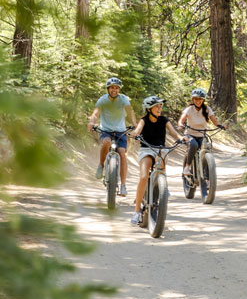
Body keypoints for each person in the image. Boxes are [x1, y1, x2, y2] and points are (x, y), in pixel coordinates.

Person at [130, 96, 186, 225]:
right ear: (149, 109)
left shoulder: (164, 120)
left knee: (161, 161)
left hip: (160, 149)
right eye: (157, 106)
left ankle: (162, 186)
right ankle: (137, 211)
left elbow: (174, 133)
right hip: (146, 149)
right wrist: (135, 134)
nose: (160, 108)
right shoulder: (143, 120)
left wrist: (180, 138)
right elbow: (137, 130)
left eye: (160, 106)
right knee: (144, 177)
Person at [87, 77, 137, 197]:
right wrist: (92, 122)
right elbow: (95, 113)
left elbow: (130, 112)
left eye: (116, 88)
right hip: (106, 130)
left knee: (122, 154)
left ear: (119, 89)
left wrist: (135, 124)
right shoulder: (103, 100)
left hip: (120, 131)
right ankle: (101, 165)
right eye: (112, 87)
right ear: (108, 89)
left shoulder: (124, 99)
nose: (114, 90)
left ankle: (123, 186)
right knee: (106, 143)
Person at [178, 88, 225, 176]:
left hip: (202, 135)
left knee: (207, 148)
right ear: (193, 99)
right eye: (196, 99)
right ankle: (187, 167)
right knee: (194, 145)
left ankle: (208, 175)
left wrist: (220, 125)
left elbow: (214, 121)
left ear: (203, 100)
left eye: (200, 99)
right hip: (190, 134)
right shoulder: (189, 109)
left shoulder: (207, 109)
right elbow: (182, 119)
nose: (198, 101)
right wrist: (180, 124)